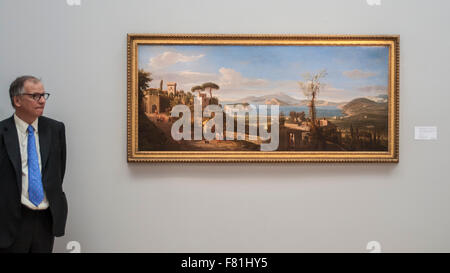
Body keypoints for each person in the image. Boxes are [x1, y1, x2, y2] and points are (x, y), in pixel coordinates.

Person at [0, 75, 68, 253]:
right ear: (17, 100)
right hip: (11, 220)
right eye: (35, 96)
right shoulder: (2, 132)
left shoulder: (55, 129)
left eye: (44, 95)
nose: (42, 100)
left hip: (46, 218)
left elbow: (59, 172)